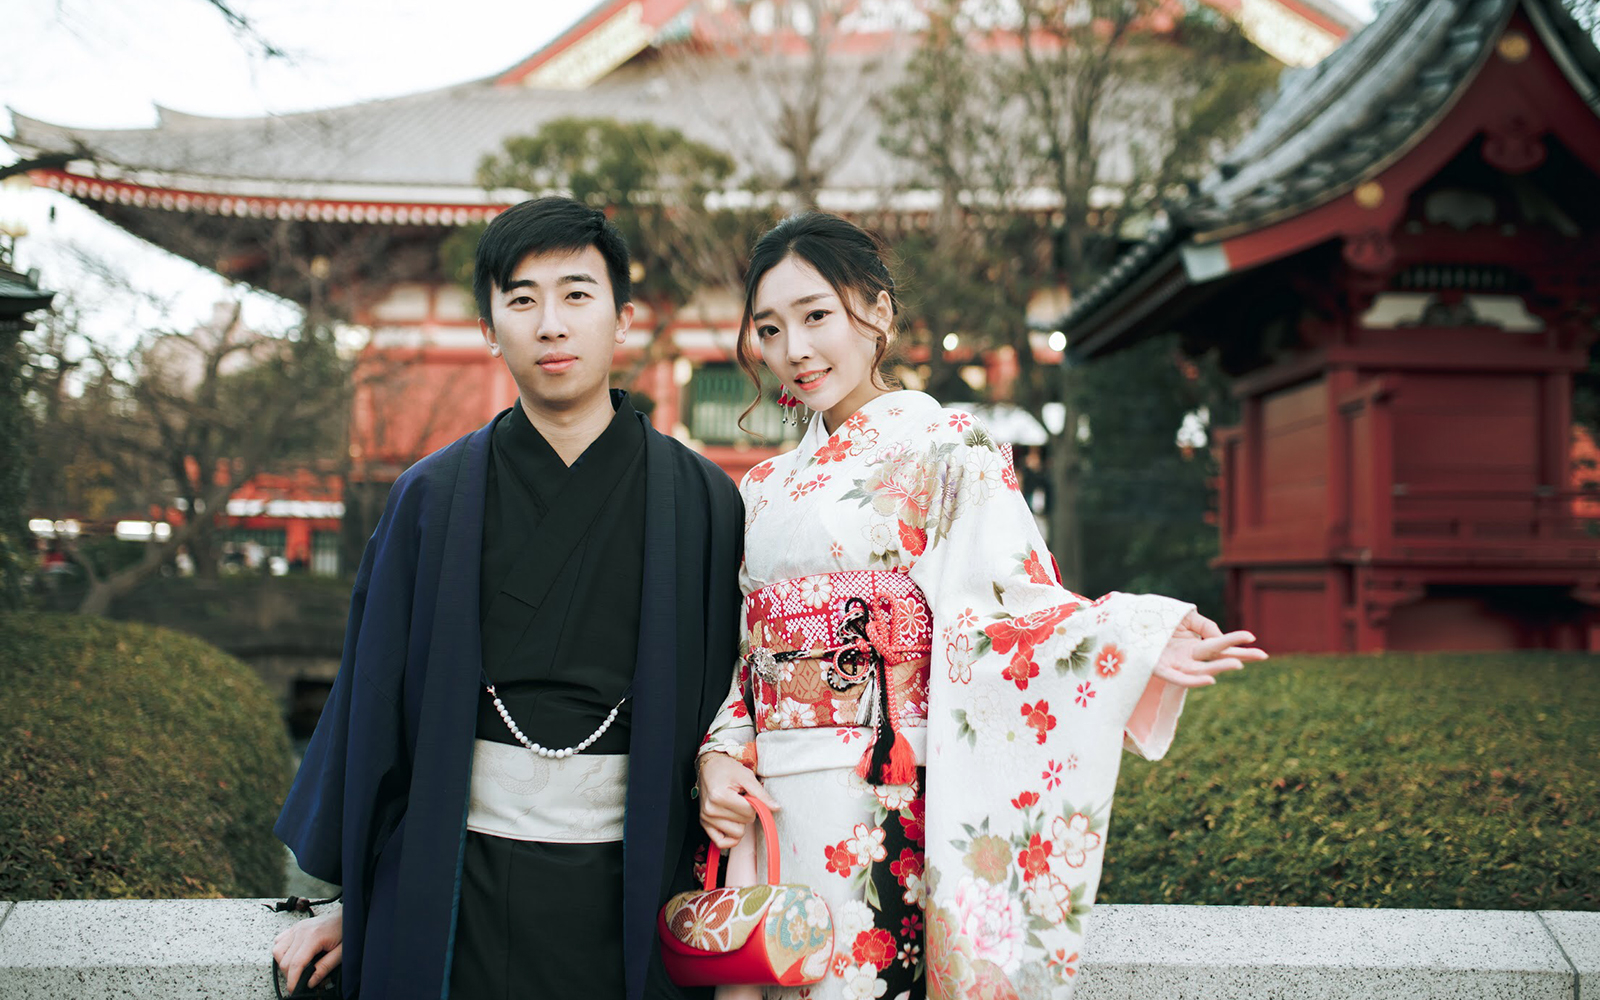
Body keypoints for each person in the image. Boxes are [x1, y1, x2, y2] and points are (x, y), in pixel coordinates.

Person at [693, 212, 1267, 999]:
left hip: (883, 797)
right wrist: (722, 754)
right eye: (769, 327)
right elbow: (747, 654)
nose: (793, 349)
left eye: (817, 315)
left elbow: (1007, 611)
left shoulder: (945, 451)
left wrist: (1132, 639)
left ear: (879, 312)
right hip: (775, 807)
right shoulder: (762, 488)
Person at [271, 196, 743, 1000]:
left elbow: (738, 701)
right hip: (455, 879)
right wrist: (360, 900)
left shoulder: (703, 500)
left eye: (577, 295)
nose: (550, 325)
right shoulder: (432, 497)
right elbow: (377, 704)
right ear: (490, 326)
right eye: (522, 300)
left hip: (634, 883)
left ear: (623, 318)